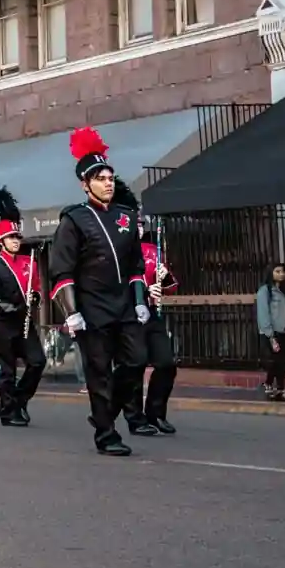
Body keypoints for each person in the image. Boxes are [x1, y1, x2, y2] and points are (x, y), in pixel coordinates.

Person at [48, 127, 153, 456]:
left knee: (137, 361)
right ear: (85, 183)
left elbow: (136, 265)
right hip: (92, 309)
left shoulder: (126, 216)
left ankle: (103, 414)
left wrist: (139, 301)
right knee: (99, 371)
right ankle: (107, 435)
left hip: (124, 305)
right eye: (100, 177)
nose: (108, 182)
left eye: (110, 176)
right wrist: (71, 312)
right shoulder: (74, 219)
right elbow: (60, 269)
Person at [113, 181, 181, 433]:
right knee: (135, 365)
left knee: (166, 363)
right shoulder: (115, 251)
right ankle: (134, 417)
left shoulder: (153, 250)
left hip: (151, 313)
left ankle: (156, 413)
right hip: (127, 315)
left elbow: (172, 286)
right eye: (135, 223)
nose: (139, 227)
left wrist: (162, 281)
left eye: (141, 223)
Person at [0, 186, 46, 427]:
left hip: (25, 324)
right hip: (4, 325)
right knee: (7, 371)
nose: (16, 241)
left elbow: (37, 289)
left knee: (38, 362)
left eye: (18, 237)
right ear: (1, 241)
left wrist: (35, 300)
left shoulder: (30, 262)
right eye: (11, 238)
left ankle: (20, 398)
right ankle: (8, 413)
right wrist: (11, 308)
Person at [256, 263, 285, 400]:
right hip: (270, 332)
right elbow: (263, 314)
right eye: (277, 271)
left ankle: (280, 389)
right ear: (271, 273)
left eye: (283, 271)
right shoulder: (264, 291)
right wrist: (271, 336)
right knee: (273, 362)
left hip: (283, 331)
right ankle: (268, 384)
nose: (281, 274)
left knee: (281, 362)